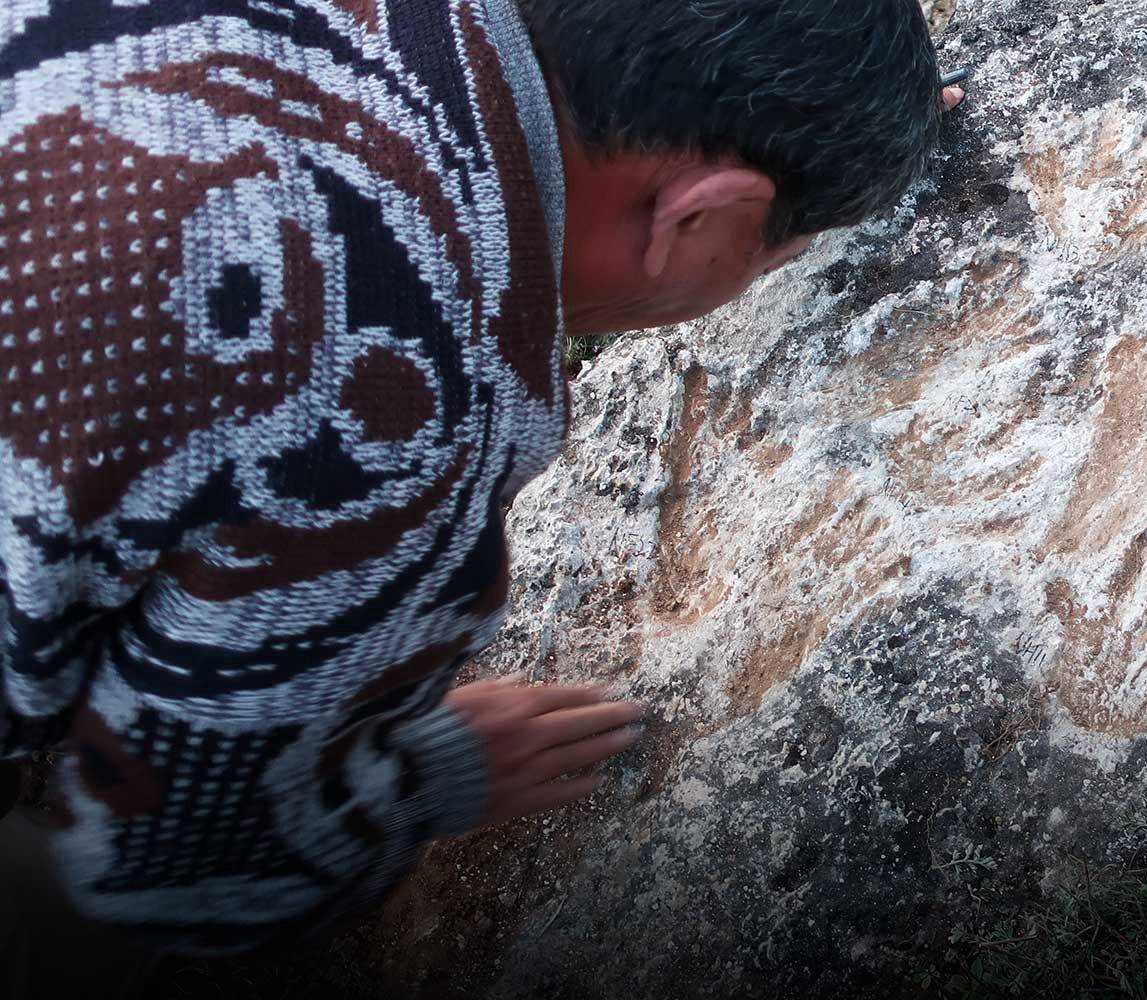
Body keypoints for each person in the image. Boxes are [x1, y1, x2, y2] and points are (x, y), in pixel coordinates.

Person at [0, 0, 962, 982]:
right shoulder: (404, 395)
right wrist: (404, 784)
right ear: (695, 215)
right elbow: (178, 867)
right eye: (778, 252)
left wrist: (848, 112)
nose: (764, 271)